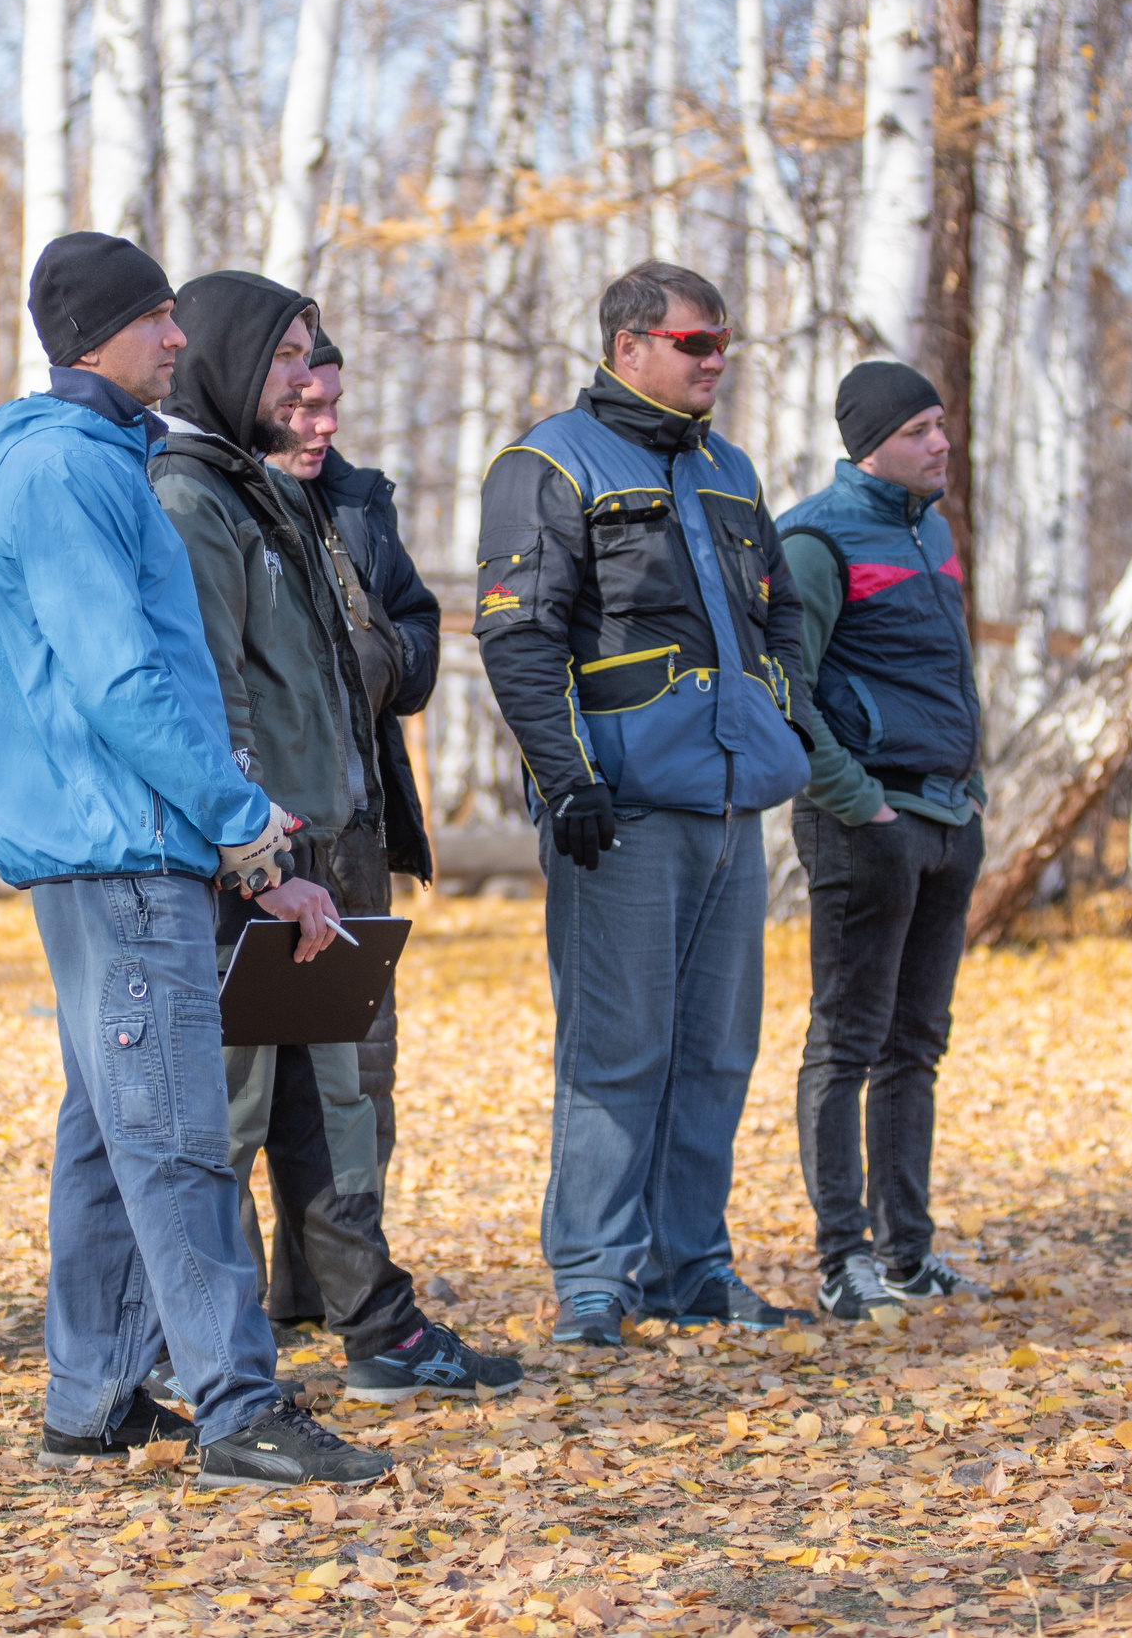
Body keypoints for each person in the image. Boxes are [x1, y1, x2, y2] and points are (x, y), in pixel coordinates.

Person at [0, 232, 391, 1490]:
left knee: (107, 1134)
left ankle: (89, 1397)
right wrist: (244, 826)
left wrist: (241, 846)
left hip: (121, 843)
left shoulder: (91, 460)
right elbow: (123, 682)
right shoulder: (71, 474)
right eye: (157, 320)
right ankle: (239, 1406)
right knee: (181, 1139)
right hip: (122, 848)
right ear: (97, 337)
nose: (179, 339)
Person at [151, 271, 518, 1404]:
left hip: (332, 842)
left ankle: (375, 1325)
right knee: (233, 1110)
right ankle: (205, 1352)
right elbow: (216, 695)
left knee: (340, 1099)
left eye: (316, 360)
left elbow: (370, 648)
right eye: (288, 359)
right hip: (259, 863)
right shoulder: (192, 497)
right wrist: (256, 853)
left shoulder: (288, 499)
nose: (311, 384)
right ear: (229, 359)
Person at [473, 260, 816, 1346]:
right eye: (693, 344)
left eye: (722, 343)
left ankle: (691, 1266)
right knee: (617, 1046)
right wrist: (566, 778)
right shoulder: (546, 462)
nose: (715, 360)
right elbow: (518, 636)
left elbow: (785, 614)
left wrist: (781, 716)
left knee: (717, 1048)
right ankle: (592, 1276)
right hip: (617, 811)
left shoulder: (730, 468)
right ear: (628, 346)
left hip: (730, 804)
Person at [779, 361, 992, 1323]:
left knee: (917, 1046)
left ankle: (909, 1252)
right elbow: (790, 690)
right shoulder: (816, 538)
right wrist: (859, 801)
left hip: (948, 818)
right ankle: (842, 1258)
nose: (939, 442)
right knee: (848, 1041)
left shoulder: (932, 529)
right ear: (871, 443)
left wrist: (969, 790)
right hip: (867, 825)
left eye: (941, 424)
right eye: (917, 431)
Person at [254, 321, 441, 1324]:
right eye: (302, 406)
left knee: (358, 1080)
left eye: (332, 405)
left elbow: (414, 621)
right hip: (261, 843)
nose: (321, 425)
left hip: (358, 833)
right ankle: (231, 1305)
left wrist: (372, 664)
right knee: (250, 1086)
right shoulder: (220, 503)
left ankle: (328, 1287)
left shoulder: (360, 502)